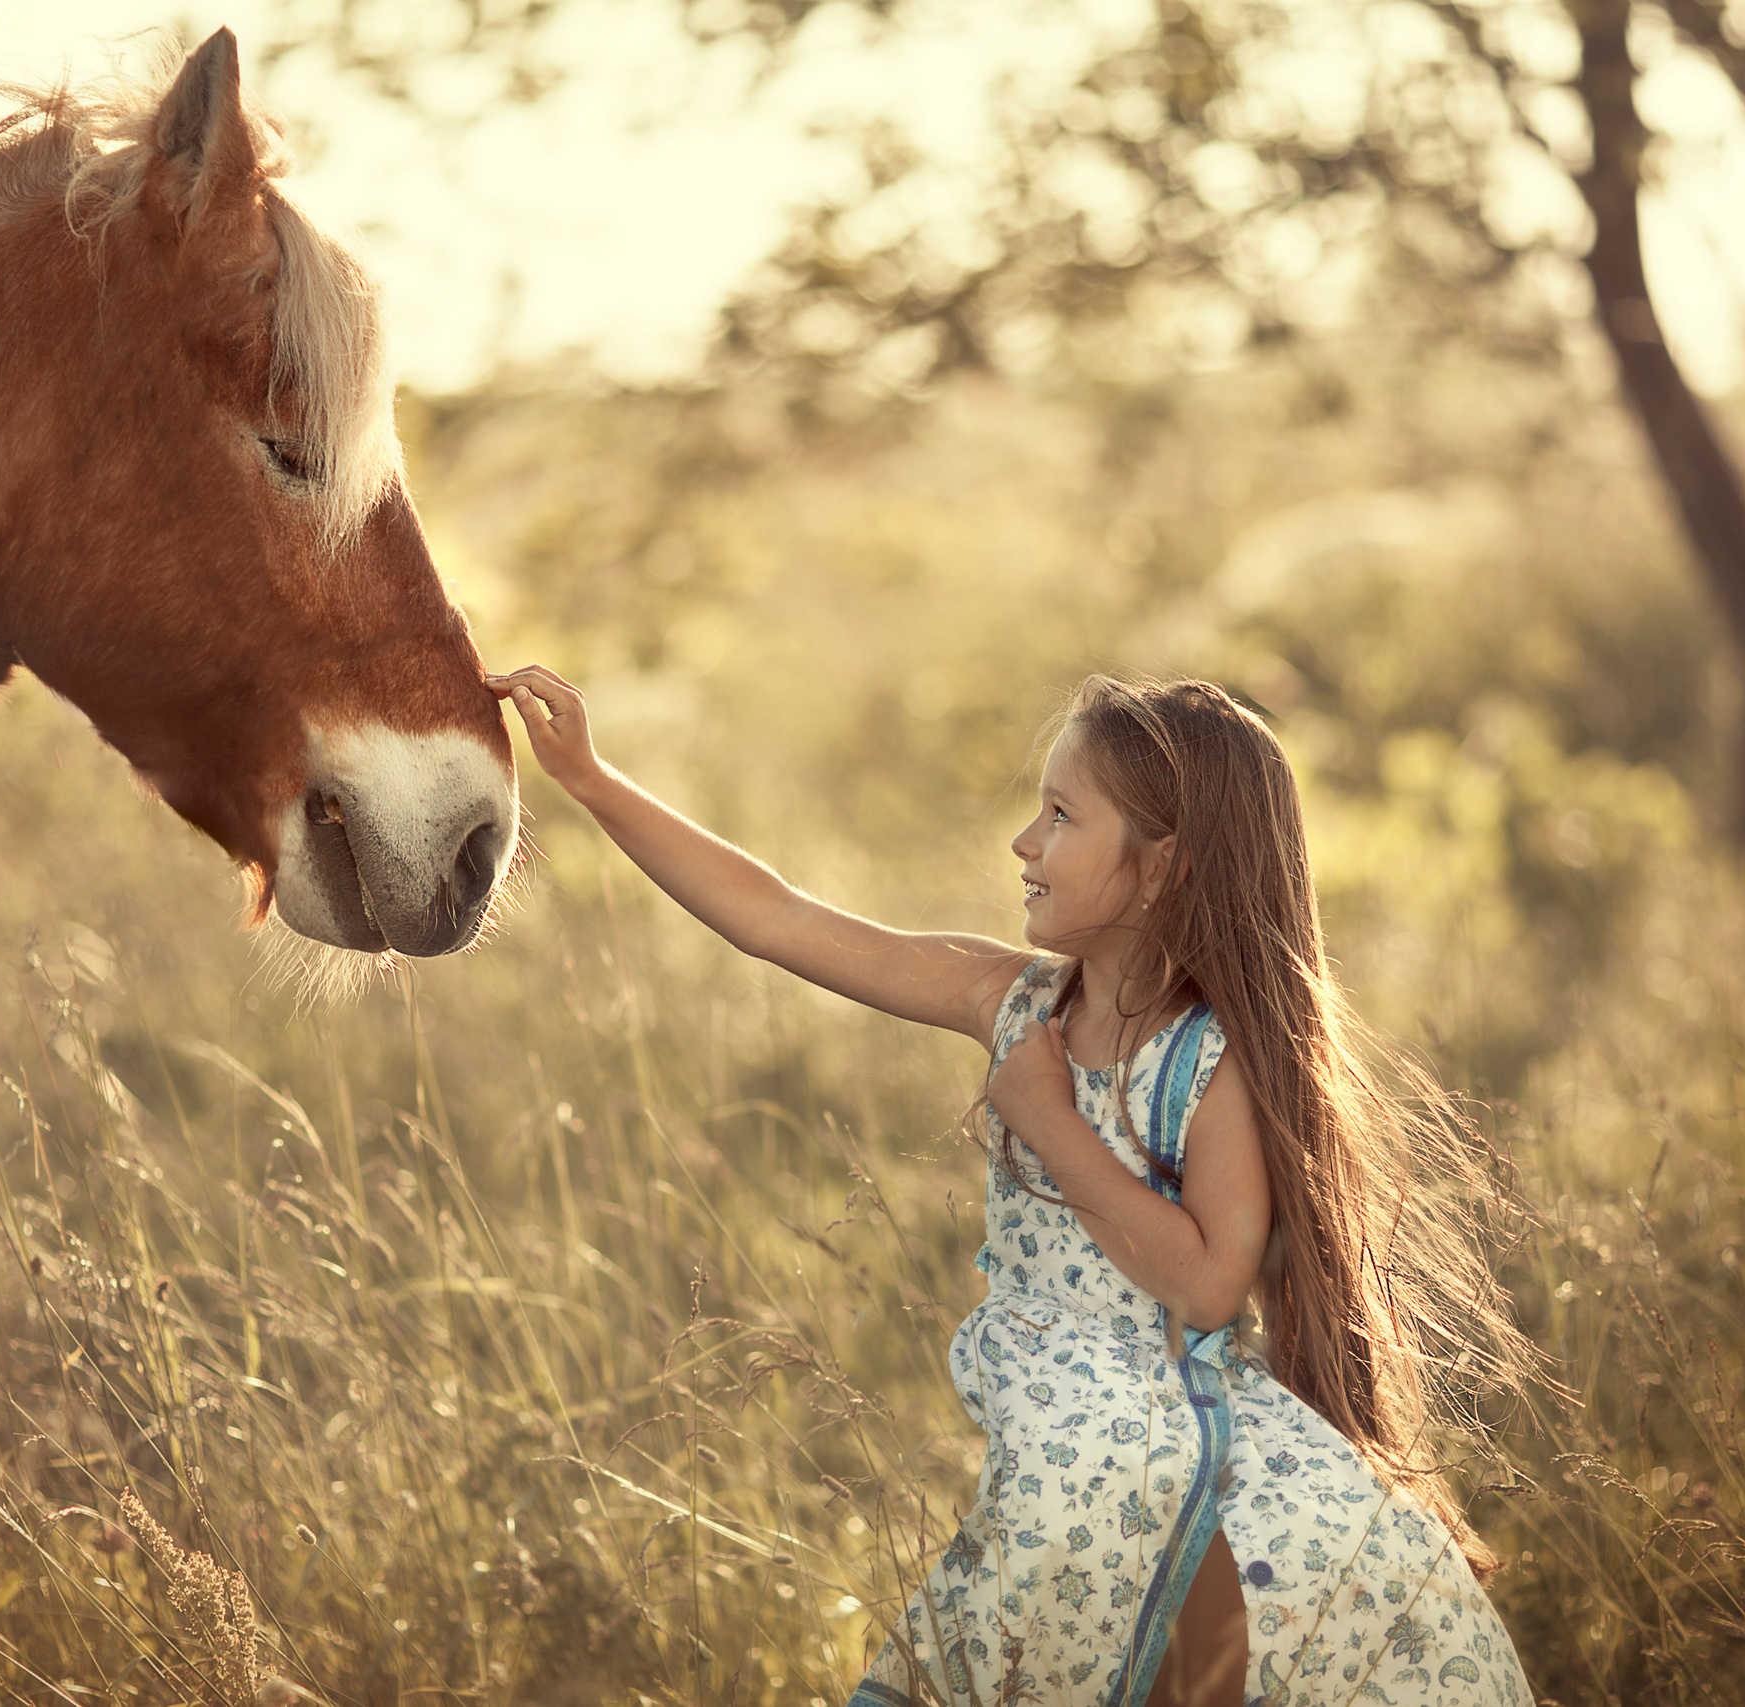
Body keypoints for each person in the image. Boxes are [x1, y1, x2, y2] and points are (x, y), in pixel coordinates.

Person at [488, 664, 1540, 1707]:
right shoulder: (1014, 1001)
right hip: (1059, 1480)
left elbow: (1210, 1286)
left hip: (1172, 1479)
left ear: (1160, 866)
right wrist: (590, 779)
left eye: (1059, 816)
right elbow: (780, 918)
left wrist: (1046, 1118)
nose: (1023, 843)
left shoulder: (1210, 1061)